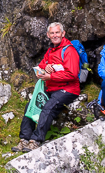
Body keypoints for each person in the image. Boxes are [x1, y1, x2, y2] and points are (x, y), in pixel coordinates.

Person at [14, 22, 81, 151]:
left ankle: (36, 140)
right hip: (51, 88)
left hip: (68, 89)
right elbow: (41, 64)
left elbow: (72, 74)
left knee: (48, 107)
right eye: (52, 33)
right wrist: (45, 67)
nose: (55, 35)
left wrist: (51, 77)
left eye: (57, 32)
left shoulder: (69, 51)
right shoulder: (51, 50)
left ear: (63, 33)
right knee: (32, 105)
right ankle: (24, 139)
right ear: (48, 35)